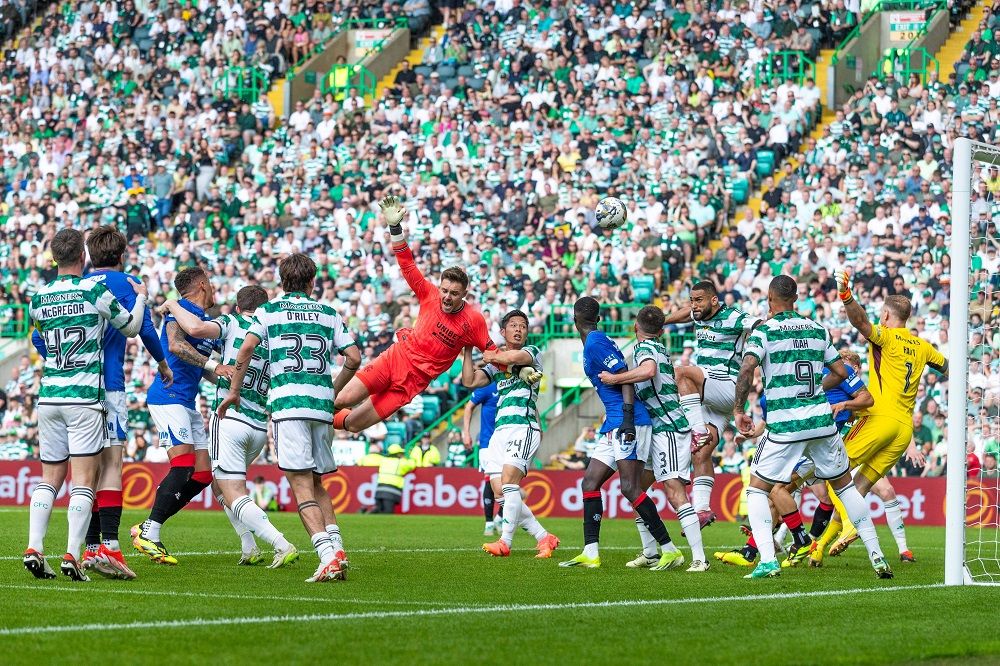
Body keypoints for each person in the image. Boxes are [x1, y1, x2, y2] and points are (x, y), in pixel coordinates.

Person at [30, 225, 171, 580]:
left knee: (69, 475)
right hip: (99, 389)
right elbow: (142, 328)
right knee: (106, 467)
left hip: (55, 391)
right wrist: (162, 361)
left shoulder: (50, 293)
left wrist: (55, 359)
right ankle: (105, 545)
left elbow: (37, 335)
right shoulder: (112, 286)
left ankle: (86, 547)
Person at [733, 275, 892, 580]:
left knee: (757, 488)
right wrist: (816, 386)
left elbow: (747, 368)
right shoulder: (817, 329)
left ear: (770, 299)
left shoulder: (764, 331)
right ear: (795, 298)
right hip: (821, 423)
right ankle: (877, 555)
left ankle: (767, 560)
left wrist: (739, 410)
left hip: (786, 426)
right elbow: (841, 370)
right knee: (845, 488)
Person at [219, 253, 361, 583]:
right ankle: (338, 549)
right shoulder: (329, 312)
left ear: (282, 282)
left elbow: (245, 349)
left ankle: (327, 556)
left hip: (289, 405)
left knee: (301, 486)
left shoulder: (269, 311)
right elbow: (353, 357)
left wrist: (234, 390)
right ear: (313, 282)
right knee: (317, 482)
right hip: (321, 406)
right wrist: (332, 391)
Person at [160, 286, 299, 569]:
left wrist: (172, 305)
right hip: (259, 424)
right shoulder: (272, 335)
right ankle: (249, 547)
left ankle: (281, 544)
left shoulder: (232, 322)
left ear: (238, 307)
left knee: (233, 490)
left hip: (230, 418)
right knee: (220, 486)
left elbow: (196, 329)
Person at [333, 196, 496, 433]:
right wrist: (395, 229)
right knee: (342, 399)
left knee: (354, 425)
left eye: (454, 293)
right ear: (440, 287)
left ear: (464, 294)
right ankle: (307, 414)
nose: (447, 297)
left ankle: (320, 419)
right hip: (394, 360)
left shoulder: (473, 320)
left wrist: (519, 366)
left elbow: (493, 352)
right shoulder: (429, 293)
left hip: (411, 384)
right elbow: (407, 265)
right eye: (445, 290)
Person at [827, 268, 948, 559]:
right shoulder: (922, 346)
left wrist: (846, 294)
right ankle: (824, 545)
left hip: (879, 419)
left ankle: (849, 525)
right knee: (860, 485)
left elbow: (860, 322)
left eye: (881, 314)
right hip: (903, 429)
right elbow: (945, 367)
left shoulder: (887, 338)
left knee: (832, 469)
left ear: (886, 316)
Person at [717, 349, 874, 569]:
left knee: (778, 492)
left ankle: (801, 542)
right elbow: (769, 422)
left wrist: (847, 408)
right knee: (789, 495)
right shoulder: (775, 392)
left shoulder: (832, 377)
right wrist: (752, 434)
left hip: (816, 447)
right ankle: (764, 549)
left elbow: (866, 400)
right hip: (801, 447)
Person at [132, 267, 235, 565]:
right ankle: (151, 532)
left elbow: (213, 364)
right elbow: (176, 346)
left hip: (186, 402)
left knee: (202, 475)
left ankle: (148, 526)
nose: (215, 290)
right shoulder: (181, 311)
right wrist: (214, 367)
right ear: (202, 285)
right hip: (167, 396)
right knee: (181, 467)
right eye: (212, 284)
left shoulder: (204, 321)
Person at [560, 297, 671, 570]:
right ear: (598, 318)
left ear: (574, 320)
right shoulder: (594, 341)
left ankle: (669, 549)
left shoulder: (596, 343)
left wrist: (629, 420)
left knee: (630, 488)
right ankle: (590, 552)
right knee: (589, 483)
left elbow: (625, 376)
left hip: (628, 422)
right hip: (614, 422)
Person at [599, 306, 709, 572]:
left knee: (674, 491)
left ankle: (699, 558)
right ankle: (650, 552)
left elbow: (648, 371)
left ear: (636, 327)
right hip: (657, 428)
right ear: (661, 330)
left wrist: (615, 377)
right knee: (636, 491)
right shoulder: (658, 345)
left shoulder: (644, 348)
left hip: (668, 428)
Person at [664, 280, 761, 530]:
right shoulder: (698, 314)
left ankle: (696, 431)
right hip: (708, 395)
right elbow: (687, 313)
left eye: (699, 300)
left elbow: (758, 324)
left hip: (727, 384)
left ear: (714, 300)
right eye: (692, 300)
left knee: (681, 373)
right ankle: (703, 510)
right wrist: (664, 320)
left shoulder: (733, 316)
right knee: (701, 453)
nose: (694, 305)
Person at [462, 309, 558, 559]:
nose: (519, 329)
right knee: (499, 493)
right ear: (503, 332)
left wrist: (492, 354)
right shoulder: (497, 367)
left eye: (523, 326)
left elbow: (514, 356)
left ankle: (505, 542)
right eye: (513, 325)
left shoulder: (531, 354)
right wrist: (467, 350)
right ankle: (544, 537)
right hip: (499, 432)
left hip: (523, 426)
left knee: (508, 484)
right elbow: (469, 381)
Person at [464, 383, 499, 535]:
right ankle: (489, 523)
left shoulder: (515, 383)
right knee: (490, 482)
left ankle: (501, 517)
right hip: (488, 443)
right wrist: (466, 433)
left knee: (510, 483)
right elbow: (468, 407)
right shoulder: (488, 385)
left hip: (509, 441)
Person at [372, 444, 417, 513]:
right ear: (398, 454)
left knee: (379, 510)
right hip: (391, 491)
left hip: (379, 489)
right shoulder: (401, 462)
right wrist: (410, 457)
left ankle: (367, 513)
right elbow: (412, 465)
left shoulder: (383, 460)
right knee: (388, 512)